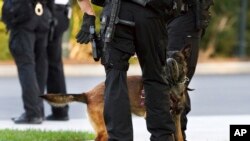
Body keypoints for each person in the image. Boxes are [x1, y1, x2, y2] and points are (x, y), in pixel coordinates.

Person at [76, 0, 176, 140]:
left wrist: (88, 14)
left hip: (118, 14)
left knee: (115, 78)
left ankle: (119, 138)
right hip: (151, 14)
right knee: (156, 78)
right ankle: (163, 138)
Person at [166, 0, 214, 140]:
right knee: (178, 85)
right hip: (181, 20)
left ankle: (176, 134)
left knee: (177, 84)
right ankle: (178, 135)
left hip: (176, 18)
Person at [1, 0, 53, 124]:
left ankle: (32, 113)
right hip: (42, 14)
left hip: (23, 14)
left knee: (26, 64)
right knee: (40, 63)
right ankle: (38, 110)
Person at [45, 0, 71, 121]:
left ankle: (34, 112)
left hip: (54, 11)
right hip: (60, 11)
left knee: (50, 65)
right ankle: (60, 110)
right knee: (54, 65)